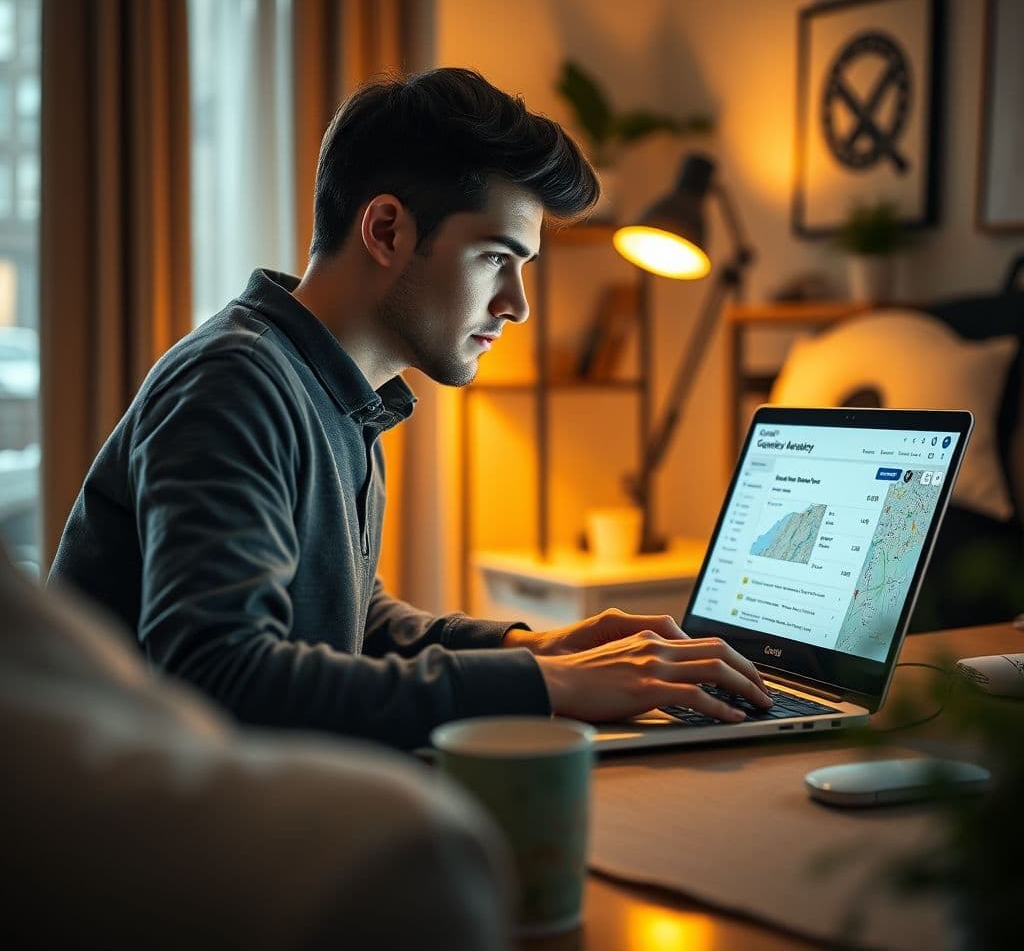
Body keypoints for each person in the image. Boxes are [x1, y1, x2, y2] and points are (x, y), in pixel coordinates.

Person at [50, 67, 772, 750]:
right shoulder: (234, 385)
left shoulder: (333, 393)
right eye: (496, 258)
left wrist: (537, 646)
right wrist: (546, 683)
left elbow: (349, 626)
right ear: (387, 230)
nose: (516, 306)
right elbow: (222, 679)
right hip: (129, 844)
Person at [3, 542, 513, 949]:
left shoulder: (357, 414)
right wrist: (542, 681)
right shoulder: (227, 408)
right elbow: (226, 670)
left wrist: (520, 649)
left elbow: (344, 597)